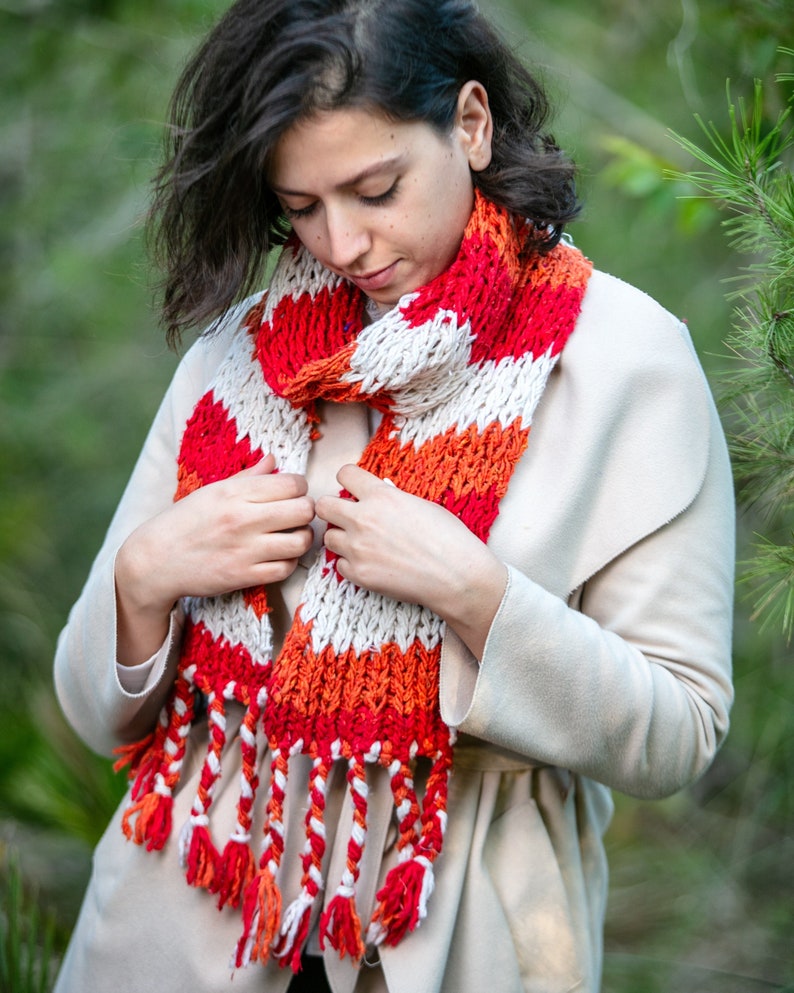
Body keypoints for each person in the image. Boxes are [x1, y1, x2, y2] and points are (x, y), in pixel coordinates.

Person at [52, 1, 735, 991]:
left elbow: (677, 733)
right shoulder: (234, 357)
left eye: (375, 189)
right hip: (190, 918)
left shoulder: (627, 363)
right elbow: (92, 715)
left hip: (461, 930)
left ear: (468, 124)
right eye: (299, 206)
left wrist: (476, 593)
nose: (342, 243)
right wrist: (144, 579)